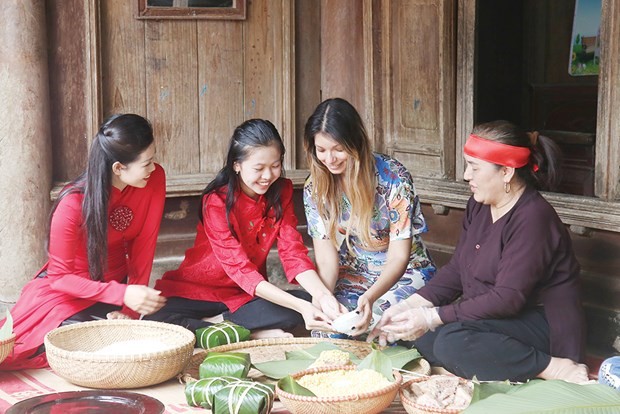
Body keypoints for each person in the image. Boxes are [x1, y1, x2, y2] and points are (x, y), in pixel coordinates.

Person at [369, 120, 589, 383]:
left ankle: (552, 367)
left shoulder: (533, 217)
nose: (466, 176)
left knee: (452, 343)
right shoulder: (478, 205)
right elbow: (457, 270)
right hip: (493, 320)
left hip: (540, 323)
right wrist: (409, 307)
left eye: (474, 167)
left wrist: (432, 316)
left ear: (506, 171)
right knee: (416, 337)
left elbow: (508, 299)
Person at [0, 114, 167, 370]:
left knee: (125, 337)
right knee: (80, 340)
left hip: (112, 291)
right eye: (146, 163)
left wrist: (129, 311)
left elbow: (145, 246)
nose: (153, 168)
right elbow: (59, 278)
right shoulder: (73, 203)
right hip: (66, 295)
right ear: (119, 168)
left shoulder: (153, 180)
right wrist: (122, 293)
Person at [146, 119, 340, 337]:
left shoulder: (282, 192)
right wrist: (303, 308)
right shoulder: (216, 201)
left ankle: (218, 327)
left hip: (243, 297)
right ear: (236, 165)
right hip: (197, 293)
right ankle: (249, 332)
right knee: (156, 322)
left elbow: (292, 252)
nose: (268, 176)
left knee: (302, 304)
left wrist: (322, 296)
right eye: (259, 168)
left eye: (275, 166)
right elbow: (240, 270)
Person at [303, 98, 436, 337]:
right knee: (331, 328)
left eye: (338, 149)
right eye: (321, 150)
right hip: (357, 269)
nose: (329, 159)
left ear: (355, 143)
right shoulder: (315, 187)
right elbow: (325, 259)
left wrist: (370, 298)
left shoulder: (394, 178)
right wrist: (323, 299)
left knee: (375, 326)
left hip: (406, 271)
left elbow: (399, 257)